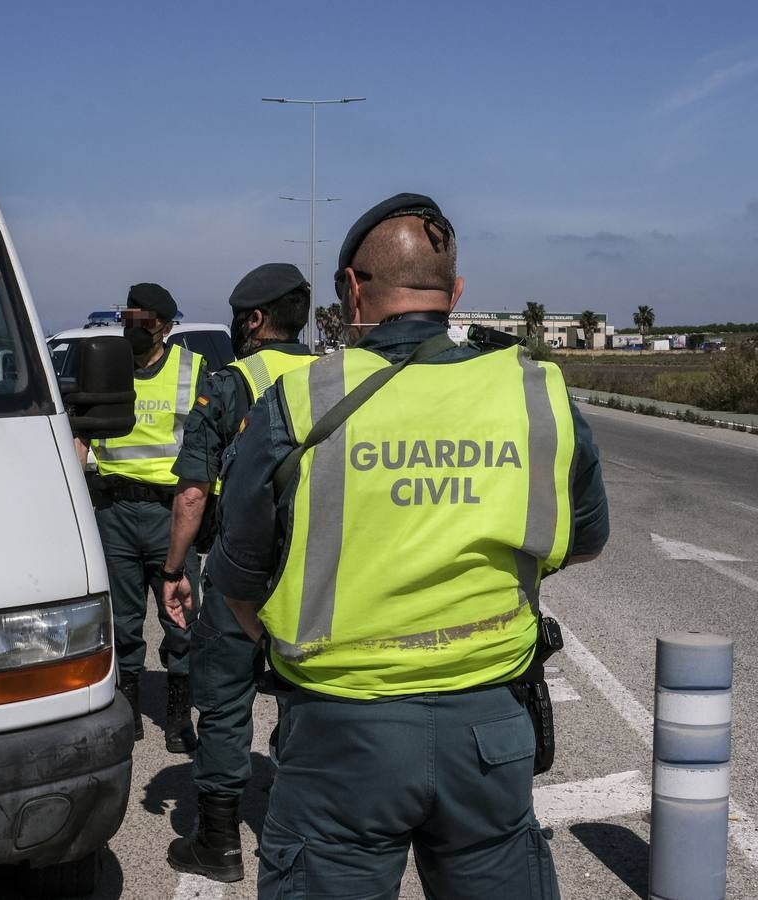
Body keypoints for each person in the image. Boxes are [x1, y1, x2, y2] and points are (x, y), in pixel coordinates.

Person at [209, 193, 609, 899]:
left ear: (354, 291)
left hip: (340, 738)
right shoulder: (535, 391)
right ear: (454, 293)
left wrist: (282, 650)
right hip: (489, 735)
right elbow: (583, 543)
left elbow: (238, 580)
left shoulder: (300, 401)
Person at [161, 263, 317, 883]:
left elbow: (194, 493)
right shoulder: (337, 379)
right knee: (305, 694)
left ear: (253, 320)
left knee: (225, 700)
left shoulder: (229, 385)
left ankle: (220, 842)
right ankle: (298, 829)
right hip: (317, 568)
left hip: (238, 568)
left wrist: (176, 568)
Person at [87, 283, 205, 752]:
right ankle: (129, 708)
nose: (135, 328)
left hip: (169, 511)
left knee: (180, 616)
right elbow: (81, 433)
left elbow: (205, 441)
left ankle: (178, 714)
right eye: (130, 317)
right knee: (122, 619)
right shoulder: (104, 369)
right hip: (113, 508)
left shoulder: (192, 369)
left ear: (165, 326)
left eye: (146, 321)